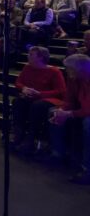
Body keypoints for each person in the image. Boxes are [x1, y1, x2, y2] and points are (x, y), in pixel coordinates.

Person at [11, 47, 66, 154]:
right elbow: (18, 82)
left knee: (37, 106)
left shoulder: (54, 71)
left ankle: (31, 139)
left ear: (41, 57)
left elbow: (61, 91)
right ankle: (19, 134)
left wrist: (40, 94)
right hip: (32, 96)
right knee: (18, 102)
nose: (28, 56)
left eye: (31, 54)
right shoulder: (27, 67)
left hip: (48, 98)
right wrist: (24, 88)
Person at [49, 54, 90, 185]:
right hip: (82, 109)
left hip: (87, 112)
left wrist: (69, 114)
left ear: (79, 69)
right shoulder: (74, 79)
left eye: (69, 68)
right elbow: (69, 99)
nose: (66, 71)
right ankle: (58, 153)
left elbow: (88, 109)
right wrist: (62, 110)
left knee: (88, 124)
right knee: (54, 112)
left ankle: (87, 169)